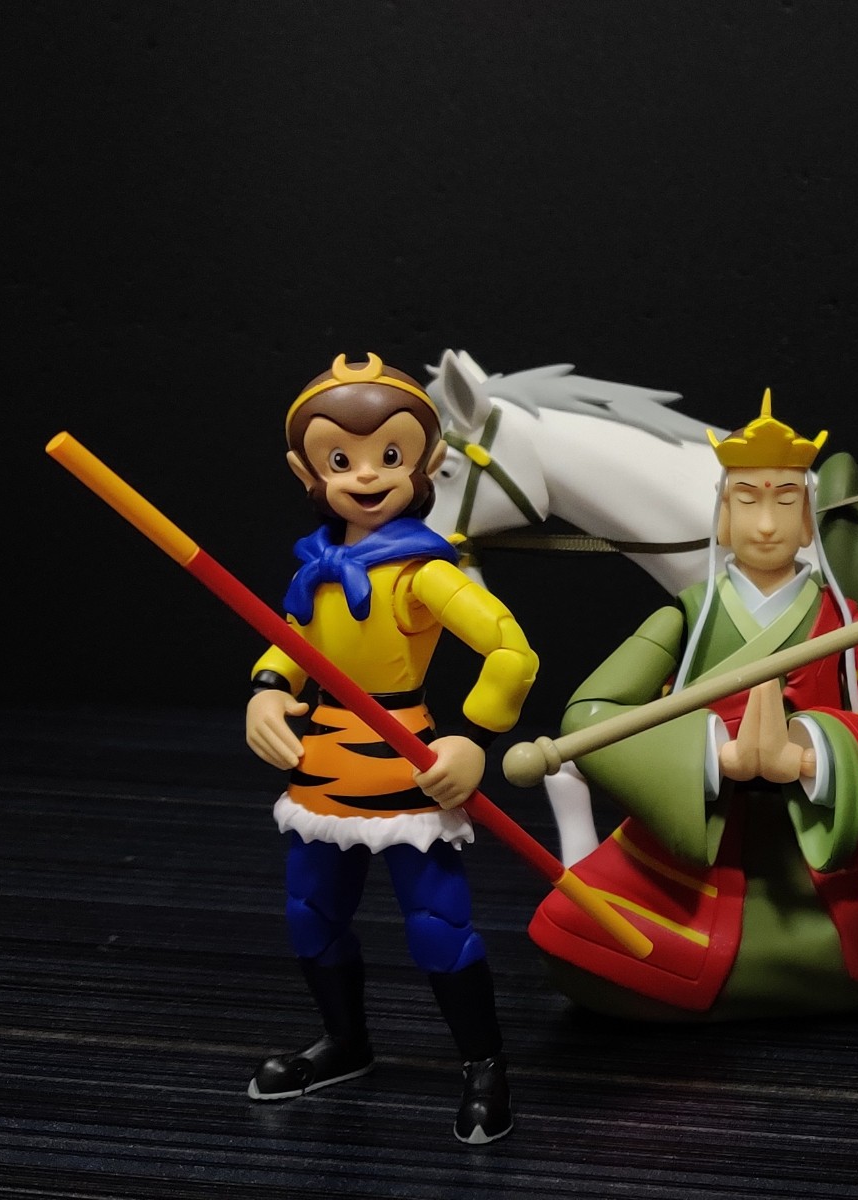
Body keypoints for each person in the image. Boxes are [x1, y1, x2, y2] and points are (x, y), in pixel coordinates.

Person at [525, 393, 858, 1019]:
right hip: (690, 860)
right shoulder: (686, 619)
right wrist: (715, 756)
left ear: (808, 522)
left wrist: (811, 757)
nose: (765, 524)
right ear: (723, 517)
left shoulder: (851, 625)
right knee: (570, 925)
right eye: (747, 501)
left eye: (785, 502)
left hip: (819, 860)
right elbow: (591, 714)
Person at [240, 353, 537, 1144]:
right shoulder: (316, 569)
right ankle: (344, 1042)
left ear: (426, 462)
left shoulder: (423, 573)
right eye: (342, 459)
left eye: (390, 454)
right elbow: (290, 645)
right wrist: (266, 690)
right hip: (325, 762)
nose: (367, 475)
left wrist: (473, 739)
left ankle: (484, 1065)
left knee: (437, 924)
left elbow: (510, 651)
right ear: (307, 470)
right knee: (310, 914)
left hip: (409, 765)